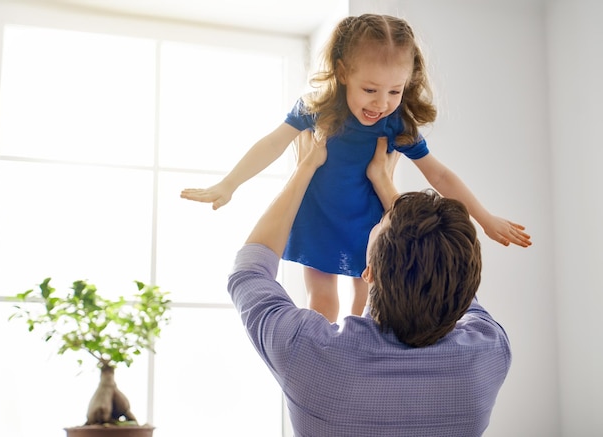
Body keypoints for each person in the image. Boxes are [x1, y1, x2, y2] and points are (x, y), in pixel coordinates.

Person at [183, 14, 531, 323]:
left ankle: (358, 359)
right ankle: (324, 366)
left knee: (368, 302)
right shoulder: (316, 108)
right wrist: (229, 184)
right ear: (342, 72)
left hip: (369, 223)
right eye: (370, 89)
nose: (381, 103)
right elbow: (273, 143)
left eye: (395, 91)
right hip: (318, 217)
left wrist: (485, 219)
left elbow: (438, 175)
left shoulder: (397, 124)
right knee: (320, 302)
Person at [228, 136, 512, 436]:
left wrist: (304, 169)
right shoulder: (488, 353)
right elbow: (453, 271)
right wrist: (383, 181)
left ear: (369, 273)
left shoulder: (308, 352)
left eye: (378, 227)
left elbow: (249, 272)